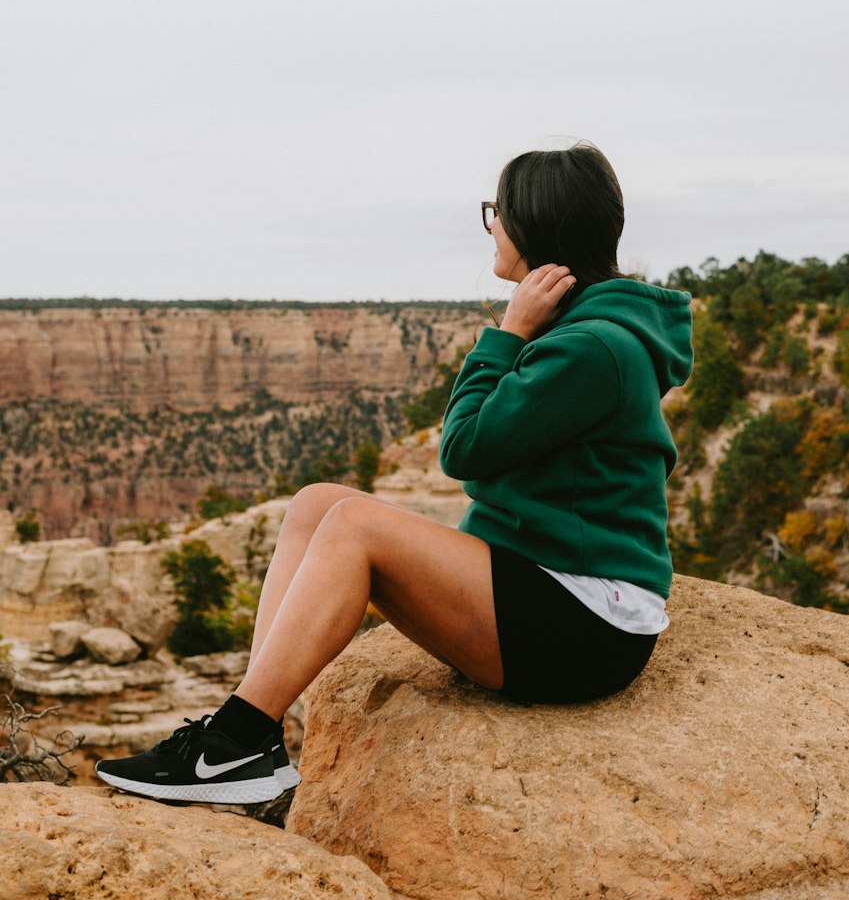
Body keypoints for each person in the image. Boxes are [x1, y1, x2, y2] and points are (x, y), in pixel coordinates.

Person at [96, 142, 694, 805]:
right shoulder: (586, 328)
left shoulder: (592, 347)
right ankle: (249, 739)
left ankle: (232, 747)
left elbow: (463, 447)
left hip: (586, 625)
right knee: (315, 504)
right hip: (544, 583)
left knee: (353, 526)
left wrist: (507, 332)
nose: (492, 225)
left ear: (537, 226)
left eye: (498, 211)